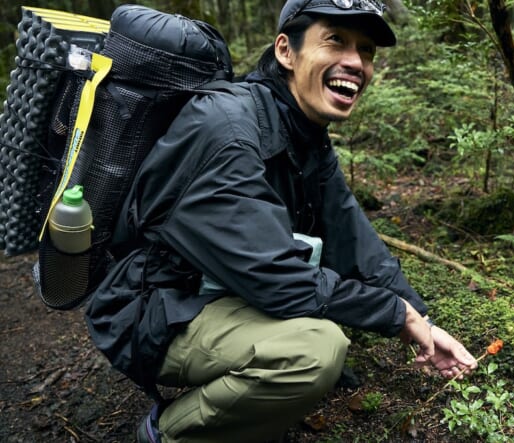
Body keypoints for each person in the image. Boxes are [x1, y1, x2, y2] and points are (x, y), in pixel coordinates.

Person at [84, 0, 477, 441]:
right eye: (335, 40)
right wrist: (393, 314)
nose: (356, 62)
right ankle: (166, 432)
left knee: (330, 322)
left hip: (212, 286)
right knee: (315, 351)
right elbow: (276, 278)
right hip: (152, 306)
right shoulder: (229, 128)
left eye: (366, 51)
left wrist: (422, 319)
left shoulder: (301, 129)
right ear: (286, 52)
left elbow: (353, 238)